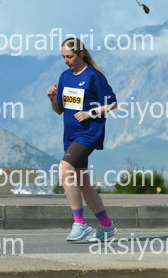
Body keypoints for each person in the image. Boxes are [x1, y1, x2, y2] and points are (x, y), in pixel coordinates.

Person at [47, 37, 118, 242]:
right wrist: (52, 98)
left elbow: (112, 103)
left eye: (69, 57)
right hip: (70, 135)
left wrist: (90, 113)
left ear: (81, 54)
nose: (66, 61)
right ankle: (107, 226)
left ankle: (79, 223)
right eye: (63, 57)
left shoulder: (94, 76)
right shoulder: (64, 77)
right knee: (83, 183)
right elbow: (60, 110)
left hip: (88, 133)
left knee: (64, 169)